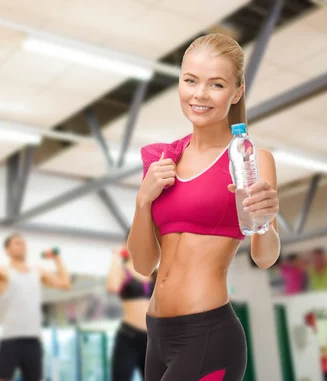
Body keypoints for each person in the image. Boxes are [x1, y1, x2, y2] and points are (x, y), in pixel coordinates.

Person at [128, 33, 280, 381]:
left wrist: (267, 220)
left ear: (237, 91)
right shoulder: (163, 160)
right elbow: (143, 263)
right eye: (190, 80)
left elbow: (264, 256)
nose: (199, 94)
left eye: (216, 84)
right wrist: (143, 200)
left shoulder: (251, 159)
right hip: (157, 336)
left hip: (209, 335)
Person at [0, 233, 72, 381]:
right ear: (7, 250)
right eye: (17, 243)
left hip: (33, 340)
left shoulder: (37, 271)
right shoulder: (1, 270)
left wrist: (57, 259)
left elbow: (65, 284)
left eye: (23, 243)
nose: (22, 246)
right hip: (10, 338)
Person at [106, 247, 154, 381]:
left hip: (152, 340)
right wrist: (116, 257)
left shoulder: (153, 272)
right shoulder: (124, 270)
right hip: (129, 337)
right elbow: (112, 286)